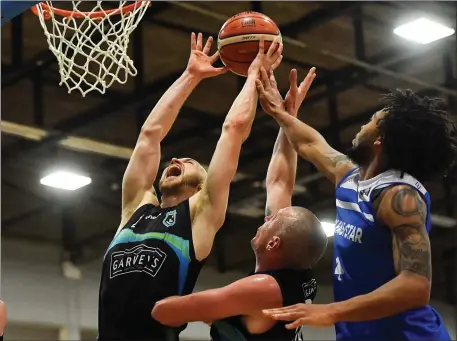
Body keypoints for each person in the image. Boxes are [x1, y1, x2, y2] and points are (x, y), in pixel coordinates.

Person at [97, 33, 283, 341]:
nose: (176, 158)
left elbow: (233, 131)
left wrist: (252, 76)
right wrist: (190, 75)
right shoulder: (135, 209)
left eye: (190, 161)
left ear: (201, 186)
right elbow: (149, 135)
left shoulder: (199, 216)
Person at [256, 68, 457, 340]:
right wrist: (281, 113)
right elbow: (308, 142)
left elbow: (416, 286)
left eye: (371, 120)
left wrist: (332, 311)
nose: (362, 125)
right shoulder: (350, 177)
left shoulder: (399, 196)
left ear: (379, 141)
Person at [151, 67, 328, 341]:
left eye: (272, 222)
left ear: (274, 244)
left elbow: (165, 311)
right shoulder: (296, 272)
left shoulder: (263, 288)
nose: (266, 218)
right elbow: (280, 183)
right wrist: (288, 119)